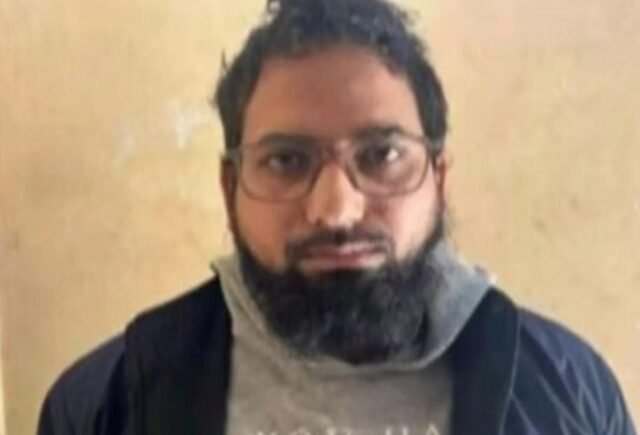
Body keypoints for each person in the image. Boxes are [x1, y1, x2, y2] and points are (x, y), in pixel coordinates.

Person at [38, 0, 636, 434]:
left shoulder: (570, 394)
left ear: (439, 177)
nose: (335, 209)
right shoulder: (107, 404)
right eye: (286, 160)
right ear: (230, 186)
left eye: (381, 156)